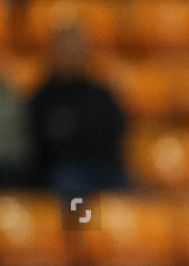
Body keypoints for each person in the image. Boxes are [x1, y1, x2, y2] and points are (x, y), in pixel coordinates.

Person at [26, 23, 128, 193]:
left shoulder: (101, 95)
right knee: (70, 186)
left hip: (106, 170)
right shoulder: (44, 98)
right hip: (65, 174)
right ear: (54, 53)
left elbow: (117, 132)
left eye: (77, 48)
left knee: (126, 195)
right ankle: (78, 220)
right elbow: (39, 145)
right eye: (66, 49)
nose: (72, 54)